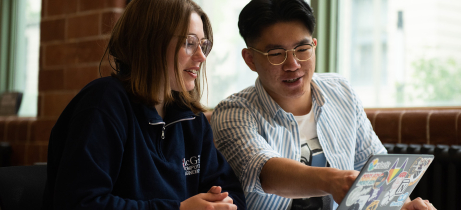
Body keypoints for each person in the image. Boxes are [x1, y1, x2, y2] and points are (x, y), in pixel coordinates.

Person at [210, 0, 436, 210]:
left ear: (314, 45)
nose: (293, 64)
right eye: (276, 54)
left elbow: (374, 165)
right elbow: (263, 171)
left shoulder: (340, 91)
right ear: (250, 59)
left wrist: (402, 205)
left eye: (302, 49)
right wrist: (331, 181)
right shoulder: (233, 113)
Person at [42, 0, 246, 209]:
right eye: (189, 43)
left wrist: (223, 205)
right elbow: (80, 202)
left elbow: (233, 194)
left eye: (203, 45)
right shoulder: (103, 103)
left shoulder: (191, 118)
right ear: (151, 42)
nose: (202, 57)